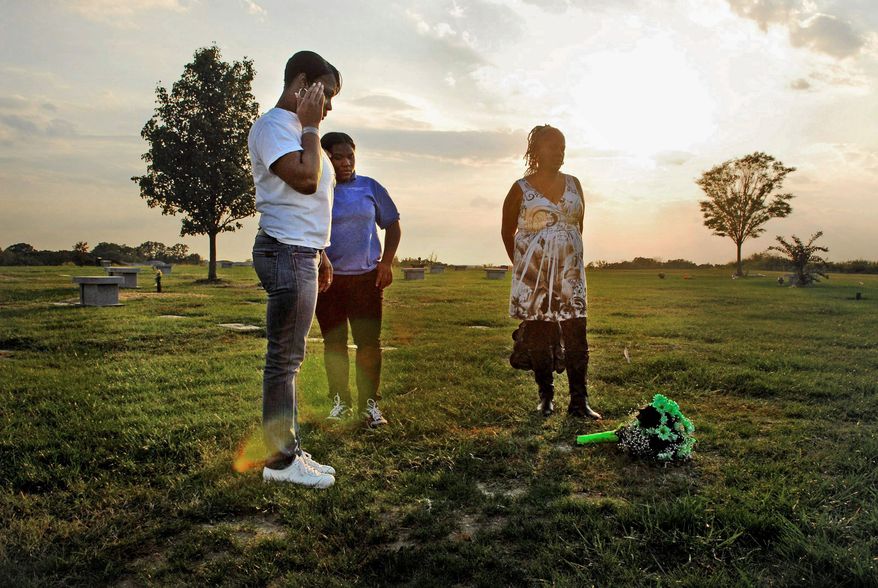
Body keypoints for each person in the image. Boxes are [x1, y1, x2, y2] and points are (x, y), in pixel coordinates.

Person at [248, 50, 341, 488]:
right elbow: (303, 180)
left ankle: (288, 453)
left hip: (302, 252)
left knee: (289, 359)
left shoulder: (302, 132)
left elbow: (311, 202)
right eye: (328, 95)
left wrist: (321, 251)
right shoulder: (274, 127)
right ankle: (281, 463)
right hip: (284, 252)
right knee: (283, 361)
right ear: (303, 83)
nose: (330, 107)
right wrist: (310, 125)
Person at [501, 124, 602, 420]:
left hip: (570, 273)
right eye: (551, 147)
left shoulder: (574, 184)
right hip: (534, 276)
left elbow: (578, 227)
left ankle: (579, 401)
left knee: (576, 332)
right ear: (536, 151)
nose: (558, 153)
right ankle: (545, 397)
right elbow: (507, 232)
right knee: (539, 335)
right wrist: (525, 268)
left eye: (562, 148)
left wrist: (566, 255)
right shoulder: (520, 189)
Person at [316, 132, 401, 427]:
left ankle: (369, 407)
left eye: (349, 156)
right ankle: (340, 403)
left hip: (366, 280)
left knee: (369, 344)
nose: (345, 163)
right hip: (328, 282)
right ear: (324, 157)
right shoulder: (317, 190)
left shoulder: (369, 187)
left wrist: (386, 263)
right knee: (334, 344)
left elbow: (392, 225)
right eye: (337, 157)